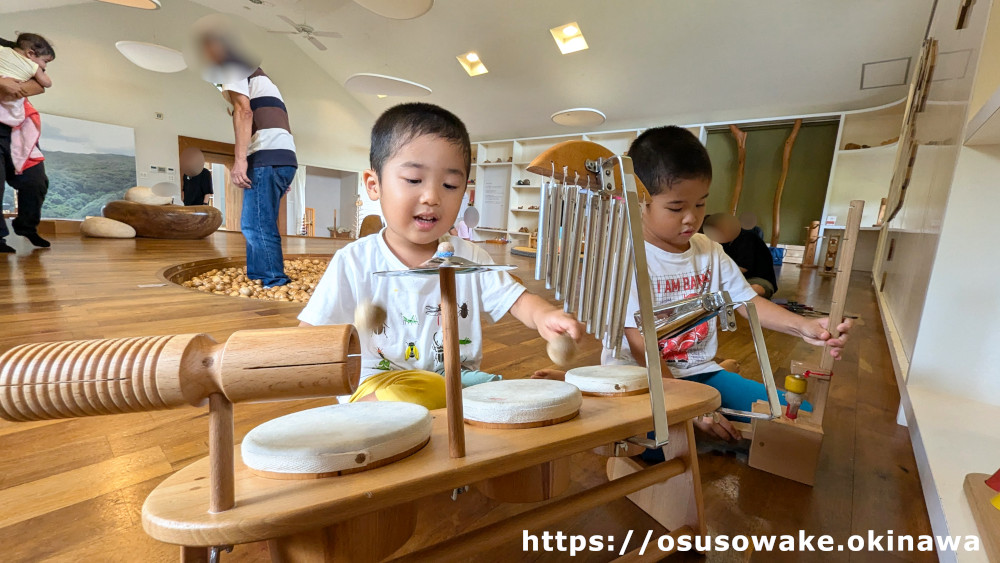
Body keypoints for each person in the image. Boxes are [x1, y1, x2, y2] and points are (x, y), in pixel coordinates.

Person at [298, 103, 584, 410]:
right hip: (381, 386)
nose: (433, 197)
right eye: (413, 179)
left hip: (456, 379)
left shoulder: (470, 257)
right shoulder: (354, 261)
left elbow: (515, 297)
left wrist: (544, 316)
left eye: (450, 185)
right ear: (374, 184)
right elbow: (310, 334)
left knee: (498, 395)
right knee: (409, 400)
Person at [603, 126, 851, 445]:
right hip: (640, 380)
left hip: (699, 373)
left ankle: (706, 407)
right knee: (655, 444)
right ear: (640, 201)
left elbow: (747, 302)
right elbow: (640, 344)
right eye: (676, 208)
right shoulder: (627, 258)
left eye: (700, 204)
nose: (691, 219)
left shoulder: (709, 250)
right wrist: (684, 410)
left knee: (799, 413)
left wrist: (804, 327)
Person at [202, 34, 294, 287]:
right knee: (258, 221)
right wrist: (283, 169)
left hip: (267, 156)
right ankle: (258, 274)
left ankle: (273, 279)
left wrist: (239, 160)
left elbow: (244, 111)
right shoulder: (262, 79)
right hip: (281, 156)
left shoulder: (233, 66)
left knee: (256, 224)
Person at [0, 34, 53, 252]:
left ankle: (26, 226)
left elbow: (39, 86)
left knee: (36, 181)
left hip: (17, 127)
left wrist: (11, 88)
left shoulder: (12, 48)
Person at [703, 213, 777, 298]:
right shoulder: (723, 243)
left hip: (756, 279)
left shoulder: (747, 238)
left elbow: (743, 267)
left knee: (754, 289)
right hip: (735, 281)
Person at [0, 33, 54, 128]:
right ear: (30, 53)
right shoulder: (34, 66)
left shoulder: (6, 48)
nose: (44, 66)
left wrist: (14, 87)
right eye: (45, 62)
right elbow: (47, 83)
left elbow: (38, 87)